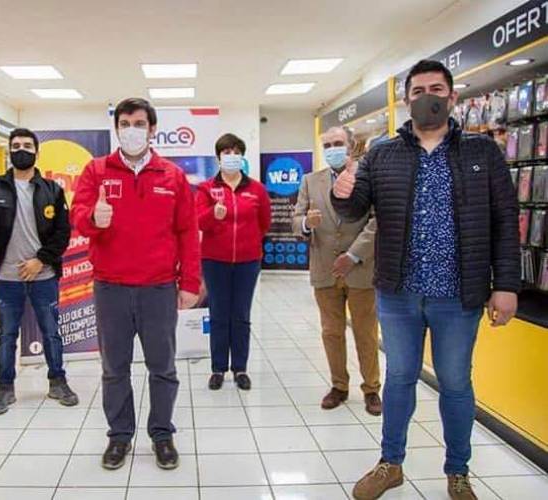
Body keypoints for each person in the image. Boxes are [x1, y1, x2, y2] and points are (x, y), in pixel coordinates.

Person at [331, 60, 520, 500]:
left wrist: (507, 284)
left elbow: (505, 220)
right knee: (399, 378)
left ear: (452, 97)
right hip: (399, 293)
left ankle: (458, 472)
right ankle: (390, 463)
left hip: (459, 294)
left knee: (455, 382)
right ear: (407, 101)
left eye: (436, 89)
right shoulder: (383, 154)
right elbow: (355, 209)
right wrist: (343, 194)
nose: (427, 97)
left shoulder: (482, 152)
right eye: (418, 91)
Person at [71, 98, 200, 471]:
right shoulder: (96, 171)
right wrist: (94, 218)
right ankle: (119, 435)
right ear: (116, 129)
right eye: (125, 123)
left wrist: (190, 282)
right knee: (114, 368)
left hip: (158, 289)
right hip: (110, 288)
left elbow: (188, 232)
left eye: (139, 123)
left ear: (152, 129)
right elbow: (78, 217)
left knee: (163, 368)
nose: (132, 130)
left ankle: (162, 434)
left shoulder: (172, 176)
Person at [0, 128, 76, 414]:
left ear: (37, 152)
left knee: (51, 333)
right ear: (9, 151)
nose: (21, 150)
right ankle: (5, 388)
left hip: (43, 275)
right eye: (15, 146)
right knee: (6, 335)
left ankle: (58, 382)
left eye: (27, 145)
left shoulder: (52, 189)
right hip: (7, 278)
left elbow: (63, 233)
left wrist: (40, 260)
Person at [292, 126, 381, 416]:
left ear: (351, 145)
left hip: (360, 268)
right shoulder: (310, 181)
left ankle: (371, 388)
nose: (332, 149)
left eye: (338, 143)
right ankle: (339, 386)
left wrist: (353, 255)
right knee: (331, 331)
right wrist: (306, 223)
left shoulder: (367, 178)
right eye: (327, 145)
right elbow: (296, 220)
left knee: (365, 332)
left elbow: (377, 221)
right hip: (324, 269)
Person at [196, 133, 271, 391]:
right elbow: (198, 221)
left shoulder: (257, 189)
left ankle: (240, 368)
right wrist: (213, 215)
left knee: (241, 315)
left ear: (242, 156)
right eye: (226, 152)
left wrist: (249, 243)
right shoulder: (206, 188)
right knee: (218, 315)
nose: (231, 156)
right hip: (214, 261)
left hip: (247, 262)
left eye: (236, 152)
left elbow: (264, 223)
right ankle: (218, 368)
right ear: (218, 157)